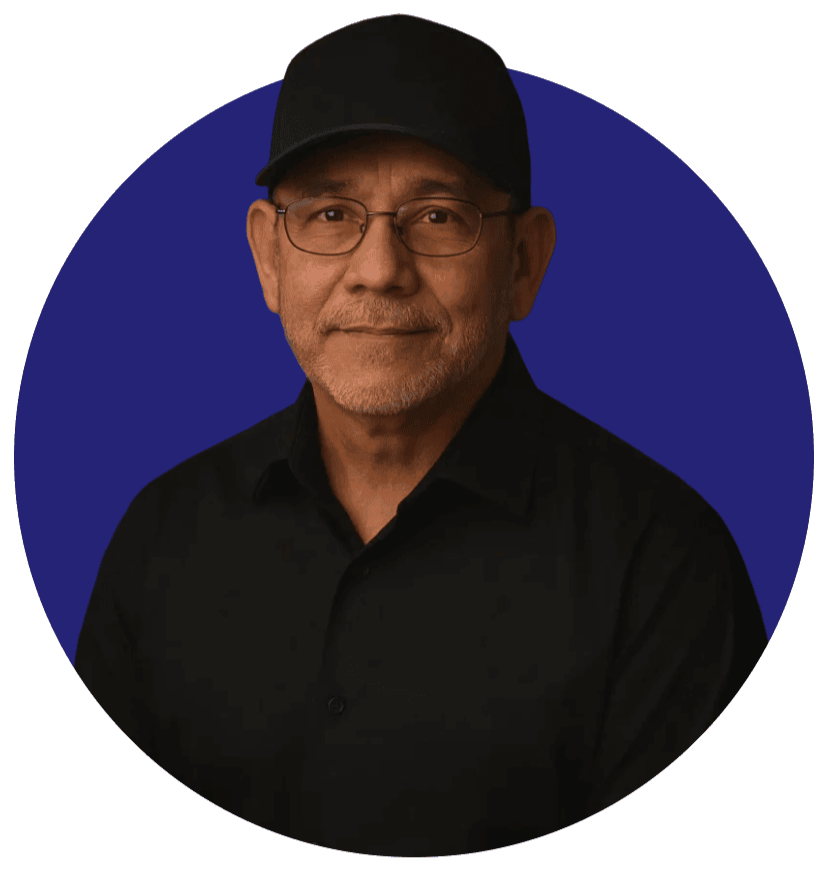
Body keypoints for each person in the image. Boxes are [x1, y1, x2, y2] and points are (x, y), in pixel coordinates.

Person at [74, 15, 768, 856]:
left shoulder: (663, 566)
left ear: (523, 262)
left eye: (437, 218)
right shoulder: (162, 537)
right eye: (330, 213)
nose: (377, 268)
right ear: (268, 257)